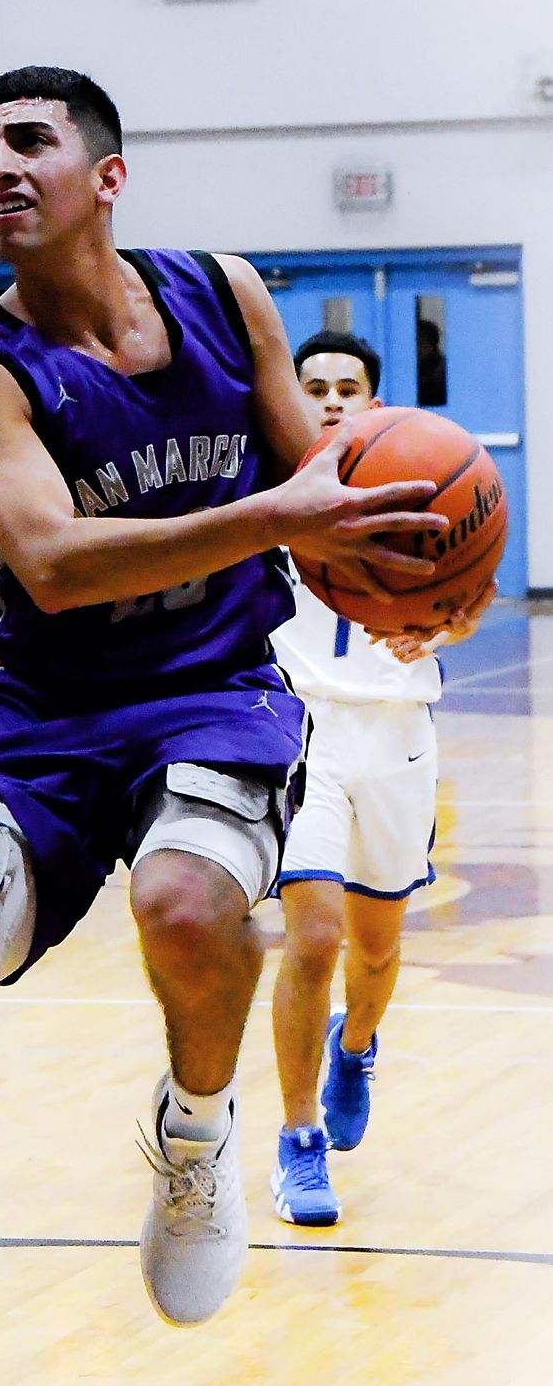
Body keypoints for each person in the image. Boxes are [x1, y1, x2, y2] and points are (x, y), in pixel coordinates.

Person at [0, 65, 447, 1329]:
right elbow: (53, 567)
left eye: (29, 141)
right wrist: (272, 516)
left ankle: (197, 1137)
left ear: (107, 176)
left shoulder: (225, 292)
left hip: (215, 690)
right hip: (46, 717)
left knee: (183, 897)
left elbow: (315, 476)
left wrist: (421, 569)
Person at [268, 331, 489, 1224]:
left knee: (378, 949)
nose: (328, 400)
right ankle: (298, 1142)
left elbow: (470, 606)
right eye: (312, 386)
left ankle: (355, 1045)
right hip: (302, 729)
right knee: (312, 939)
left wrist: (438, 631)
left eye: (345, 387)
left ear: (374, 400)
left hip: (398, 735)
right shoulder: (265, 493)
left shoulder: (426, 487)